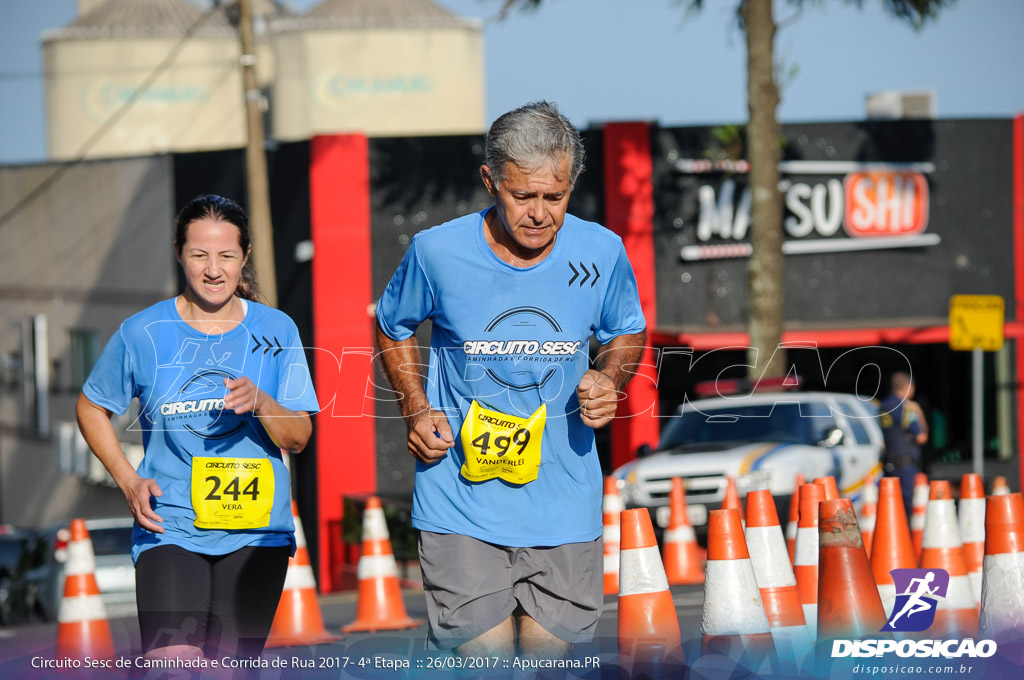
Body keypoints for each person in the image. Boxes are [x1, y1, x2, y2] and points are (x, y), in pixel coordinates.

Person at [375, 101, 647, 658]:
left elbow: (627, 332)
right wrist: (416, 407)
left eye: (556, 196)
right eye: (523, 196)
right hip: (460, 502)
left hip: (565, 502)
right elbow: (392, 326)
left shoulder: (601, 251)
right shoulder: (437, 252)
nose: (540, 213)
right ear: (490, 181)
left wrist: (610, 377)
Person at [76, 195, 318, 665]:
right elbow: (90, 407)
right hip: (171, 525)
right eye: (199, 255)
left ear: (244, 256)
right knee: (175, 663)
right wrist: (128, 480)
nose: (213, 269)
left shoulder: (277, 330)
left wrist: (263, 403)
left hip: (255, 532)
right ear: (178, 253)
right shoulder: (142, 332)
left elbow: (299, 437)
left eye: (226, 255)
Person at [879, 371, 928, 514]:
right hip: (906, 466)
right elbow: (921, 436)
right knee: (910, 509)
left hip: (890, 464)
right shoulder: (906, 408)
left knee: (893, 508)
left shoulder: (883, 405)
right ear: (908, 387)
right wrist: (919, 412)